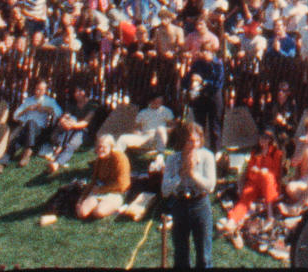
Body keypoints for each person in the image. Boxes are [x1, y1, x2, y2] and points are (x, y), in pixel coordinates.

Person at [217, 128, 284, 249]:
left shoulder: (276, 153)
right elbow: (249, 174)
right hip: (254, 184)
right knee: (245, 199)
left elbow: (276, 174)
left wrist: (264, 172)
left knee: (267, 177)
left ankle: (270, 216)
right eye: (262, 137)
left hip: (269, 185)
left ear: (271, 140)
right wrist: (256, 172)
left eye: (267, 138)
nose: (263, 140)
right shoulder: (255, 152)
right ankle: (232, 221)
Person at [162, 122, 217, 269]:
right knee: (180, 255)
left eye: (197, 141)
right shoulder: (172, 159)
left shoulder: (207, 157)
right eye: (190, 141)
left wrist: (192, 173)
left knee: (204, 256)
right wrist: (181, 174)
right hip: (179, 205)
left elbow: (211, 186)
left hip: (200, 205)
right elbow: (165, 190)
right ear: (182, 141)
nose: (194, 145)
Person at [0, 79, 62, 173]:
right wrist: (27, 109)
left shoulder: (49, 101)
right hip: (26, 131)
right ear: (34, 89)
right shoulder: (28, 101)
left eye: (42, 89)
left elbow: (59, 113)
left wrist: (46, 109)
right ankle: (0, 164)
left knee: (31, 123)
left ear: (45, 90)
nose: (39, 92)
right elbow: (15, 115)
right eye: (37, 89)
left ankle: (27, 152)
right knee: (15, 141)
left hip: (39, 132)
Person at [39, 84, 100, 174]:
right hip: (69, 130)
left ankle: (58, 157)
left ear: (86, 91)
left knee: (72, 143)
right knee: (72, 120)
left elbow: (85, 123)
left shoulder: (92, 105)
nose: (77, 93)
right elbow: (65, 117)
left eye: (80, 91)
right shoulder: (72, 104)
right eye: (76, 91)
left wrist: (71, 125)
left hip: (84, 133)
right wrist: (64, 122)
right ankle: (57, 159)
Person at [76, 133, 130, 220]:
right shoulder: (99, 160)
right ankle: (98, 204)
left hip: (116, 192)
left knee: (98, 212)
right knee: (81, 213)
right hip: (100, 189)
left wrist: (101, 189)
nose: (100, 150)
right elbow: (93, 181)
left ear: (111, 147)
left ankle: (118, 208)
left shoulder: (120, 158)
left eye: (103, 147)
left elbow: (122, 185)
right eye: (98, 147)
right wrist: (81, 199)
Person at [116, 91, 174, 155]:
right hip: (145, 137)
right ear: (151, 101)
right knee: (123, 138)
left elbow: (172, 126)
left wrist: (166, 130)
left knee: (160, 129)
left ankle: (160, 155)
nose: (159, 103)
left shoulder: (166, 111)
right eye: (157, 102)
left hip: (158, 137)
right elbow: (135, 127)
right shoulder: (143, 112)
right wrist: (136, 131)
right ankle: (117, 157)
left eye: (160, 102)